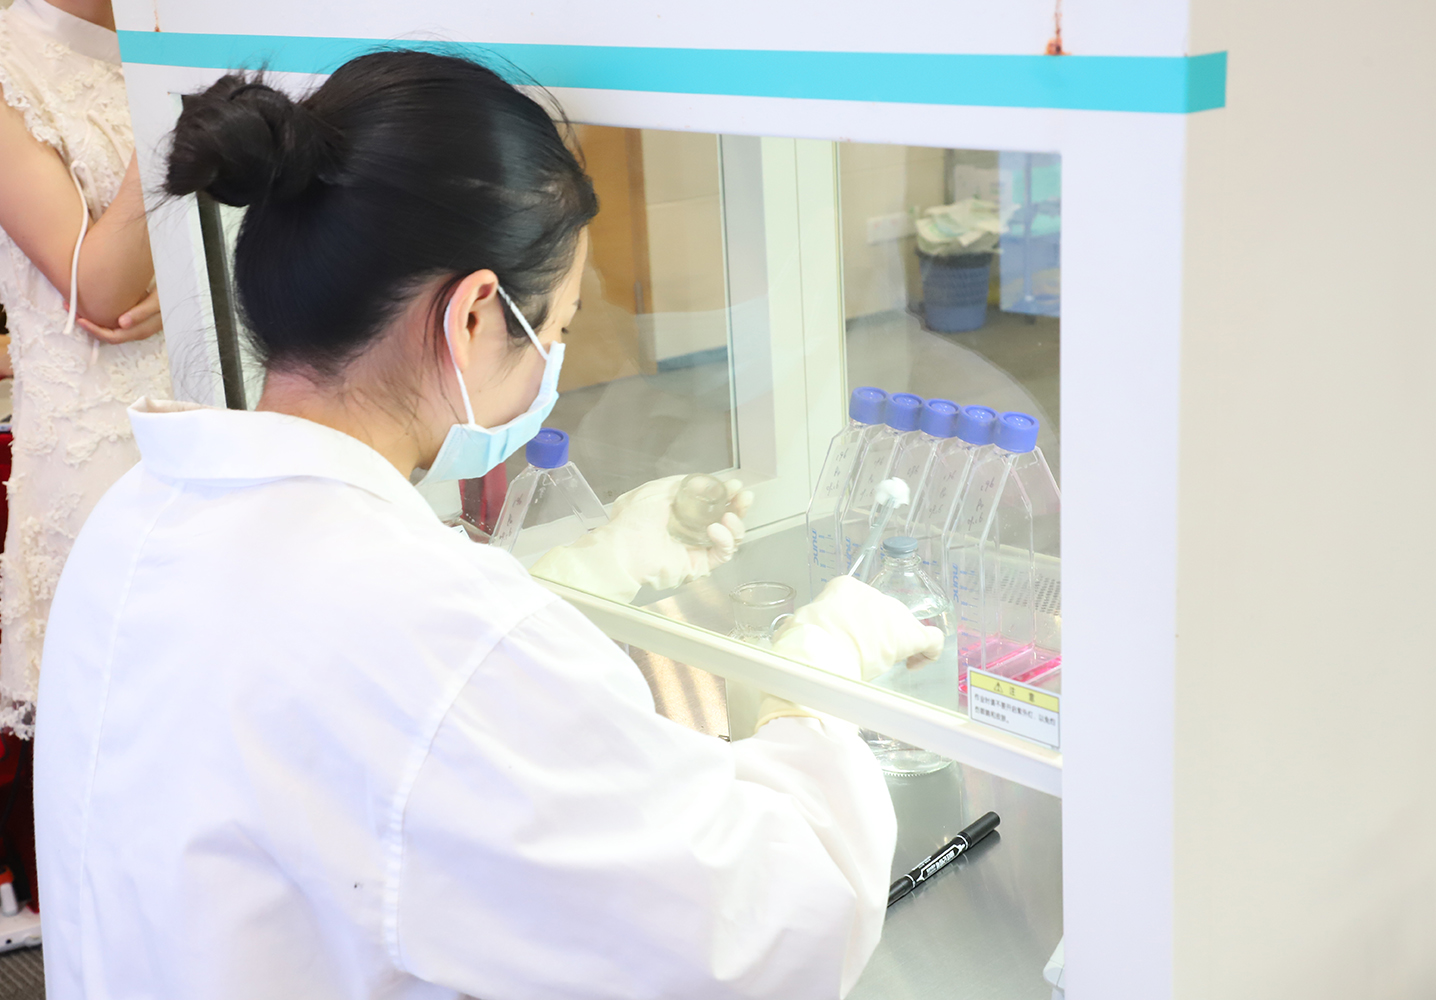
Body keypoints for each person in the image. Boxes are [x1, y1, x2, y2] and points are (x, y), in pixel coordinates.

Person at [34, 51, 942, 1000]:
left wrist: (583, 573)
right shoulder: (424, 641)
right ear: (471, 317)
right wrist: (813, 689)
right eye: (557, 330)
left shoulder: (140, 513)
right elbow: (760, 932)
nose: (553, 362)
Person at [0, 0, 171, 736]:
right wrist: (176, 96)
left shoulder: (175, 32)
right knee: (116, 728)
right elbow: (97, 286)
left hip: (216, 407)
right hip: (96, 445)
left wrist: (187, 278)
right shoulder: (12, 59)